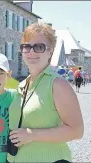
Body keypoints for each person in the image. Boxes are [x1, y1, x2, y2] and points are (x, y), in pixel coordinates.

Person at [7, 22, 84, 163]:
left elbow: (77, 131)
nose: (31, 52)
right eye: (26, 46)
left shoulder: (57, 84)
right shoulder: (23, 85)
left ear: (50, 51)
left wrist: (32, 135)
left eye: (39, 47)